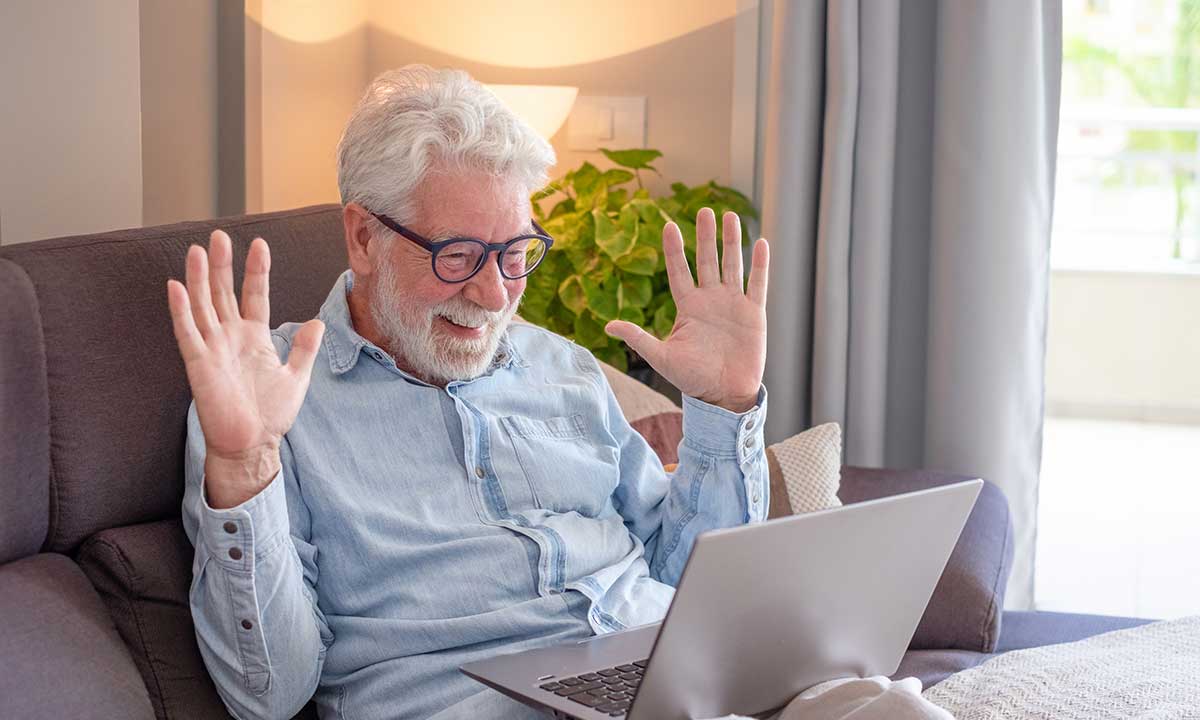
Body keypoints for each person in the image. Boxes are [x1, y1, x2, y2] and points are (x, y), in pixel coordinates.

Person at [169, 64, 771, 719]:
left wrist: (723, 408)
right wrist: (244, 468)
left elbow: (691, 585)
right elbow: (268, 696)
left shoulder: (562, 366)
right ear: (364, 237)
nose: (493, 295)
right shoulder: (269, 403)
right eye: (457, 256)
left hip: (677, 684)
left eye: (515, 254)